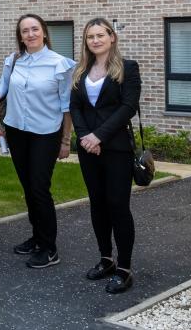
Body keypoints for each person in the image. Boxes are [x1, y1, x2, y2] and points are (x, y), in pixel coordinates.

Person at [0, 13, 75, 269]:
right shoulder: (14, 61)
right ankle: (37, 237)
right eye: (25, 31)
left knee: (39, 188)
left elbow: (66, 106)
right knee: (28, 188)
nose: (30, 34)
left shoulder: (60, 64)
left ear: (44, 32)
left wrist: (65, 140)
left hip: (45, 133)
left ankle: (49, 248)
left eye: (34, 29)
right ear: (20, 36)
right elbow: (1, 93)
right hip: (17, 131)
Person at [69, 18, 140, 294]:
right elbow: (75, 107)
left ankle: (124, 268)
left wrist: (99, 136)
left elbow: (128, 107)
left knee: (118, 206)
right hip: (89, 149)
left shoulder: (128, 68)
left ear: (112, 37)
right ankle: (105, 259)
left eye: (100, 35)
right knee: (97, 204)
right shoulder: (81, 70)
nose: (95, 40)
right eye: (90, 37)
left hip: (116, 148)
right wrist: (87, 137)